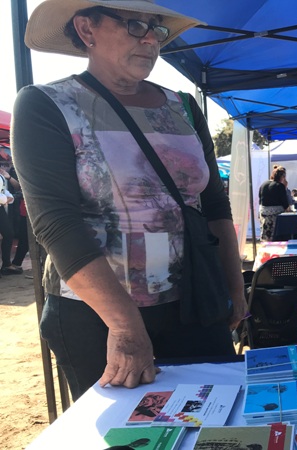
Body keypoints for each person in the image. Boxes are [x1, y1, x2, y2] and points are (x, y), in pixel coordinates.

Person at [12, 0, 247, 400]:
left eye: (158, 30)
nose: (152, 40)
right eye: (136, 25)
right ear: (87, 29)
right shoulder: (47, 105)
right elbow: (56, 224)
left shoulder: (184, 107)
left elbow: (214, 207)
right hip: (98, 317)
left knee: (214, 419)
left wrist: (235, 289)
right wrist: (124, 324)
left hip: (195, 299)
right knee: (130, 435)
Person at [258, 165, 290, 241]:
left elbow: (260, 199)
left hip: (263, 215)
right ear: (283, 177)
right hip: (275, 217)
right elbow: (285, 203)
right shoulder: (280, 186)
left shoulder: (263, 184)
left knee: (266, 238)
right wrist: (285, 188)